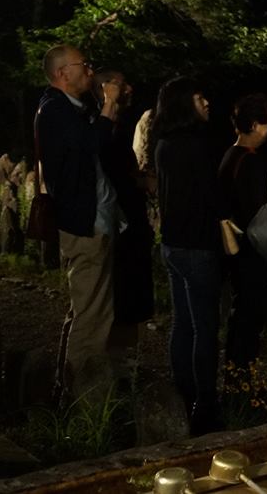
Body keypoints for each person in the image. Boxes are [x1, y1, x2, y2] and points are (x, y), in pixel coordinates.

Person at [36, 44, 121, 402]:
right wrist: (109, 103)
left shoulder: (68, 107)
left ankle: (71, 386)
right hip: (83, 225)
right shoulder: (55, 110)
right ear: (62, 73)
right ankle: (87, 400)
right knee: (92, 315)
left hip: (91, 221)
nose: (89, 70)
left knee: (87, 308)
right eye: (82, 65)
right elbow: (92, 142)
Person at [152, 76, 225, 435]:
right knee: (206, 327)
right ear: (185, 104)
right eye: (199, 98)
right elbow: (212, 196)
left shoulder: (163, 144)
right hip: (199, 244)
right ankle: (205, 405)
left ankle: (182, 395)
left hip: (173, 243)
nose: (206, 102)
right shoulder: (198, 145)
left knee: (182, 323)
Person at [93, 70, 155, 359]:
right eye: (120, 84)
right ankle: (114, 363)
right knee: (120, 297)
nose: (128, 88)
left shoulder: (119, 128)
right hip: (119, 225)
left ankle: (123, 362)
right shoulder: (103, 130)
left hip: (129, 223)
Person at [217, 93, 267, 372]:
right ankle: (243, 378)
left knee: (240, 314)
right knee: (249, 317)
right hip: (250, 250)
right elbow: (258, 211)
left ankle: (236, 374)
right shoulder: (251, 161)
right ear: (254, 125)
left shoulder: (230, 155)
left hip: (234, 247)